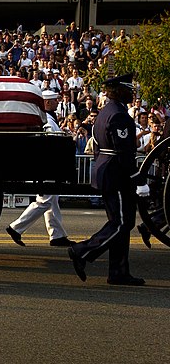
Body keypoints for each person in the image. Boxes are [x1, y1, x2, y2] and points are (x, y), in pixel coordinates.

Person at [67, 73, 149, 286]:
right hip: (117, 175)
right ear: (120, 90)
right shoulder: (119, 115)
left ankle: (118, 271)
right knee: (122, 223)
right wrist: (137, 177)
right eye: (129, 89)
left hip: (107, 171)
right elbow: (123, 152)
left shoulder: (106, 112)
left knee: (121, 222)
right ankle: (82, 251)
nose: (132, 93)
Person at [5, 90, 74, 248]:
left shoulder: (48, 118)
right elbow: (50, 141)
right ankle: (16, 227)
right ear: (47, 103)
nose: (58, 102)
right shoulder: (47, 120)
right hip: (48, 165)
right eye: (55, 100)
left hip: (51, 165)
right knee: (45, 200)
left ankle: (57, 235)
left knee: (53, 200)